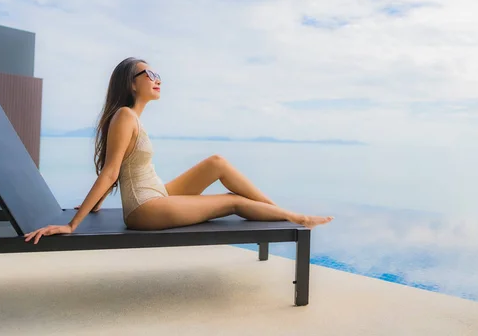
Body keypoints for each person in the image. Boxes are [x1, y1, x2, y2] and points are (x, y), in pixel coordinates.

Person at [24, 57, 334, 244]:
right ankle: (296, 218)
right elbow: (111, 170)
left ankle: (278, 214)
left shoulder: (131, 117)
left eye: (158, 75)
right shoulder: (124, 116)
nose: (157, 79)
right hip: (144, 209)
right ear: (132, 84)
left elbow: (117, 167)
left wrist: (95, 206)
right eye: (150, 75)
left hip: (157, 193)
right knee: (232, 202)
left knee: (217, 163)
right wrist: (72, 223)